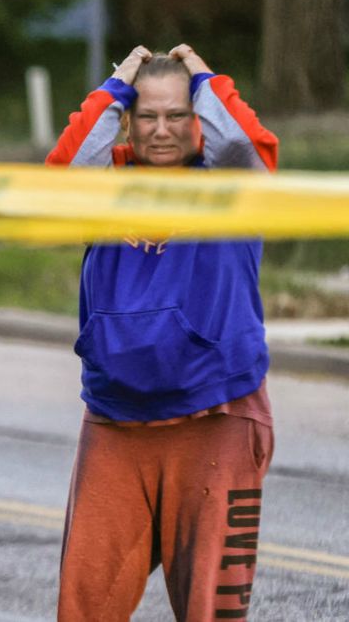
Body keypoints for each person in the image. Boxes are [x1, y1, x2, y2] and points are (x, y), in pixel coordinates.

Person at [47, 44, 279, 621]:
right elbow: (63, 176)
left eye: (178, 115)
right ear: (128, 120)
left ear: (199, 117)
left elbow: (248, 148)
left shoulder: (230, 188)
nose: (161, 130)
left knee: (210, 614)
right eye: (147, 116)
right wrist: (117, 82)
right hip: (115, 420)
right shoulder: (109, 184)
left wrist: (205, 77)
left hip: (216, 418)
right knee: (84, 609)